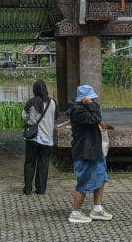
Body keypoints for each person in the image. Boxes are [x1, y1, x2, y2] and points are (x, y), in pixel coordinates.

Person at [67, 84, 113, 224]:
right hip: (85, 153)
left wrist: (92, 106)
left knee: (101, 178)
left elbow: (96, 118)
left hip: (95, 151)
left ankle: (97, 208)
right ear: (85, 99)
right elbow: (95, 118)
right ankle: (75, 212)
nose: (94, 101)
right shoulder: (79, 112)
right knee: (85, 182)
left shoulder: (87, 110)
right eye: (91, 98)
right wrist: (92, 105)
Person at [22, 79, 56, 195]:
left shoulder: (31, 102)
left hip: (33, 138)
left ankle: (27, 189)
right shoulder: (53, 103)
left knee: (30, 163)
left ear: (34, 90)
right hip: (47, 139)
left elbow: (24, 117)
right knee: (43, 164)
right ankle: (41, 189)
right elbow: (55, 117)